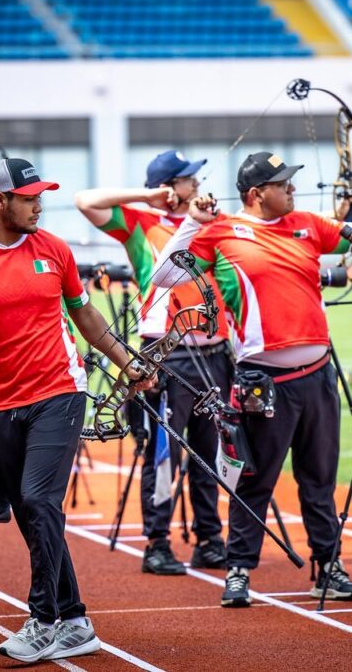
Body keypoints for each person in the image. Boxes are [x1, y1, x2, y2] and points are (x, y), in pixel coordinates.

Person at [0, 157, 153, 663]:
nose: (39, 206)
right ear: (0, 200)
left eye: (40, 196)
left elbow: (86, 315)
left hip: (60, 392)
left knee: (39, 500)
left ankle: (42, 620)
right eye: (29, 198)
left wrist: (127, 363)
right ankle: (76, 619)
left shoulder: (55, 250)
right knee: (29, 512)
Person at [151, 151, 352, 607]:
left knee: (320, 478)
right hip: (262, 380)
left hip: (317, 375)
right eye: (282, 183)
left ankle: (328, 567)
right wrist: (192, 223)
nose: (291, 188)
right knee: (255, 479)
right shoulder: (222, 233)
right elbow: (165, 275)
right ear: (256, 194)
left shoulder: (306, 223)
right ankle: (238, 571)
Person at [74, 150, 233, 574]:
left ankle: (210, 540)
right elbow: (85, 200)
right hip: (167, 349)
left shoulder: (210, 225)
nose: (196, 184)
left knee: (208, 450)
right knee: (164, 451)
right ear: (168, 187)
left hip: (214, 349)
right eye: (187, 180)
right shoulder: (140, 225)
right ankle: (157, 544)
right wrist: (149, 196)